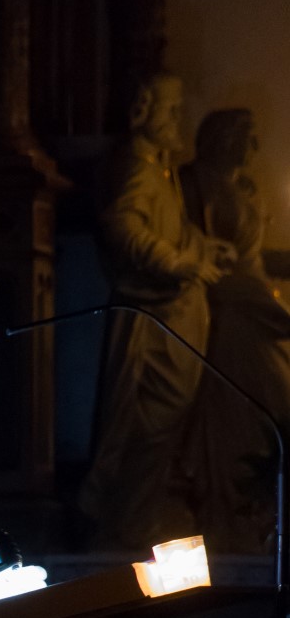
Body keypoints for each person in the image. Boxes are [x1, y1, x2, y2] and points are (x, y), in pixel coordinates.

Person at [77, 73, 235, 552]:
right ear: (143, 111)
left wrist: (202, 249)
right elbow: (124, 228)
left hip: (169, 320)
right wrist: (179, 262)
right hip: (151, 328)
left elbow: (169, 230)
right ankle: (126, 526)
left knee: (160, 432)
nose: (177, 119)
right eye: (170, 110)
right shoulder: (138, 168)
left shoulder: (158, 169)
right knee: (143, 428)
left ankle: (137, 523)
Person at [180, 108, 290, 552]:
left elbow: (255, 260)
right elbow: (195, 249)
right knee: (244, 411)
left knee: (275, 404)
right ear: (224, 139)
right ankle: (234, 515)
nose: (255, 147)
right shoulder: (194, 184)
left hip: (254, 307)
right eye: (248, 136)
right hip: (233, 316)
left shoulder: (244, 190)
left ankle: (262, 513)